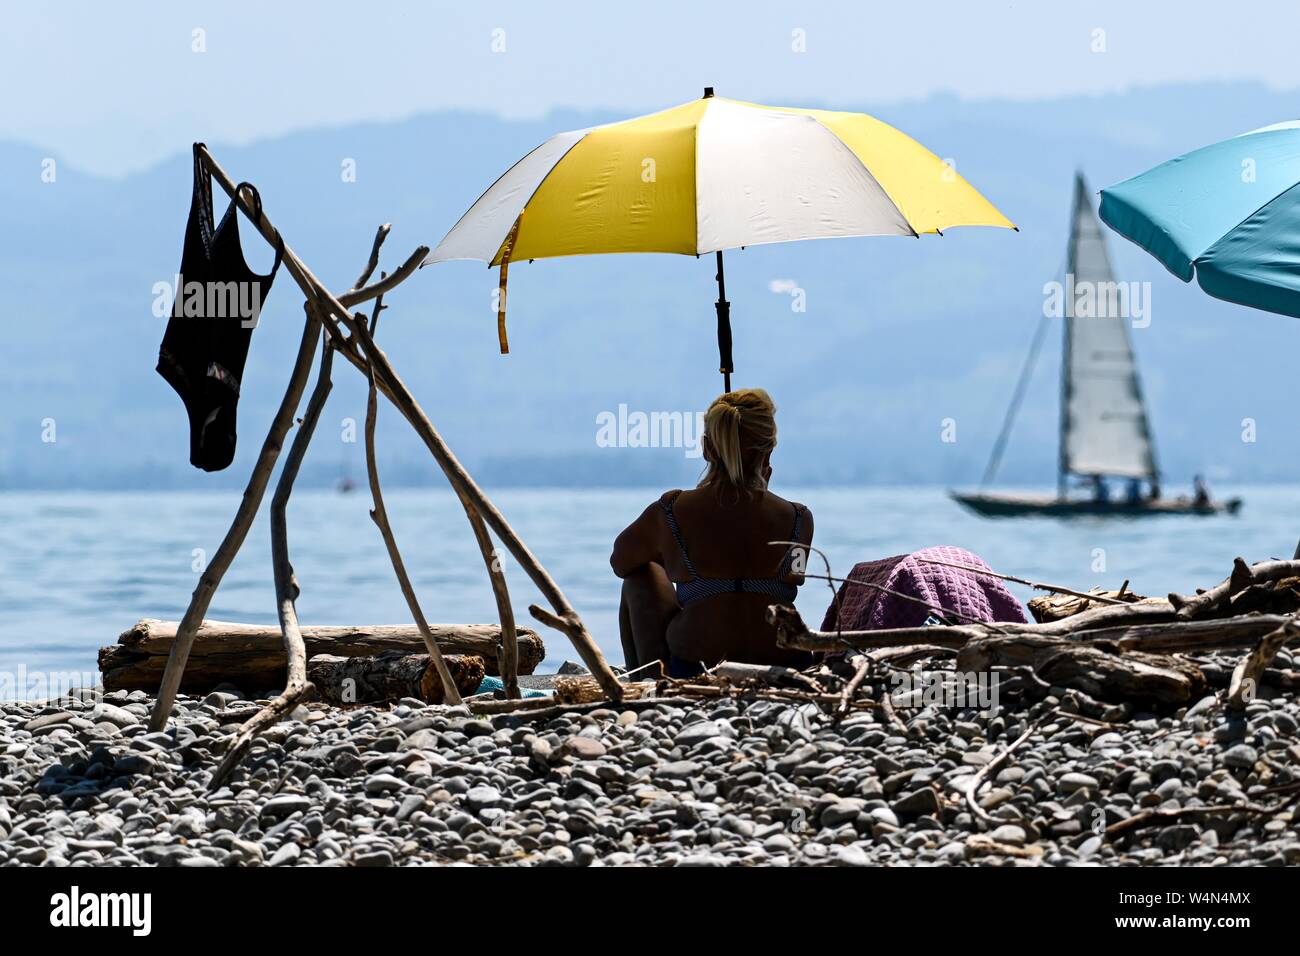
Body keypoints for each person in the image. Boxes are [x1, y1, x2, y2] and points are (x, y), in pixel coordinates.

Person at [611, 389, 814, 678]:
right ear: (768, 452)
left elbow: (620, 561)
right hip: (785, 666)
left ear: (707, 448)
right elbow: (795, 577)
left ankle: (647, 681)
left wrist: (677, 554)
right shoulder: (800, 520)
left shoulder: (670, 511)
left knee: (639, 578)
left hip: (695, 666)